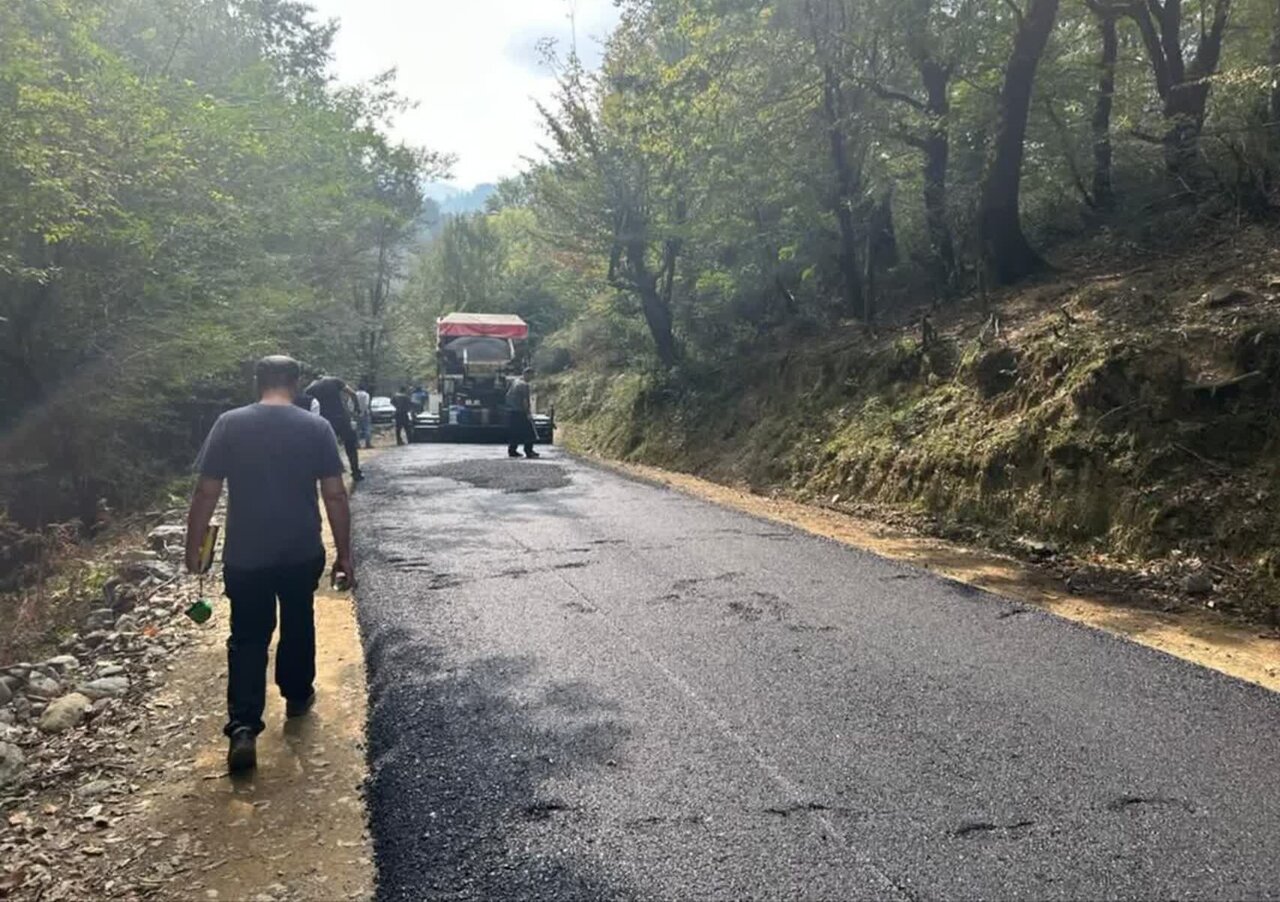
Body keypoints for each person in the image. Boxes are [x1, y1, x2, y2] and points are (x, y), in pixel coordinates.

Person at [184, 355, 355, 772]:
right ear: (296, 384)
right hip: (300, 548)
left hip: (246, 552)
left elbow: (206, 492)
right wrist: (344, 554)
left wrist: (194, 547)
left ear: (257, 382)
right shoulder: (316, 427)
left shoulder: (229, 423)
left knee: (247, 634)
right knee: (298, 618)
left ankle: (243, 726)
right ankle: (297, 696)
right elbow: (334, 494)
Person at [306, 372, 363, 481]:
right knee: (350, 445)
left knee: (329, 448)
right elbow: (352, 393)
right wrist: (357, 408)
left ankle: (332, 474)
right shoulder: (335, 380)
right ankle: (356, 472)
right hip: (342, 417)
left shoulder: (310, 388)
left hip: (325, 420)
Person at [506, 367, 540, 459]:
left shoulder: (515, 382)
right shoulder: (524, 385)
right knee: (529, 432)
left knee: (515, 431)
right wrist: (528, 413)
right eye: (531, 375)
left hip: (513, 411)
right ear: (527, 374)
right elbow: (525, 401)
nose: (532, 378)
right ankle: (528, 451)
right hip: (520, 411)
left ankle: (512, 450)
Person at [355, 382, 373, 450]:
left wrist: (353, 412)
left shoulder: (354, 394)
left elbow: (350, 403)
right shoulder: (366, 395)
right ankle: (367, 443)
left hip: (356, 413)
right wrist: (363, 411)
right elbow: (366, 404)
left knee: (357, 429)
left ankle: (357, 444)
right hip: (365, 413)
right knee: (367, 428)